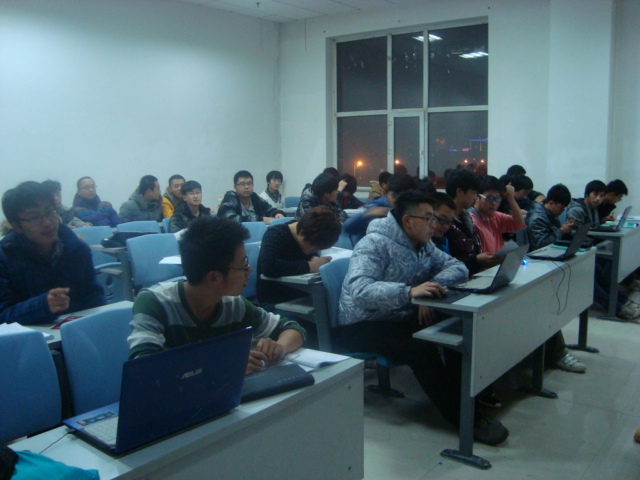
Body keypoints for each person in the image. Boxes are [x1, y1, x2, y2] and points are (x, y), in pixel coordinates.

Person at [333, 190, 508, 445]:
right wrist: (409, 292)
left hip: (398, 314)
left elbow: (457, 267)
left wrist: (430, 285)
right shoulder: (373, 244)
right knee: (421, 348)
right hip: (362, 324)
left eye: (433, 218)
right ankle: (466, 420)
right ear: (407, 220)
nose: (434, 224)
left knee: (458, 325)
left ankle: (468, 397)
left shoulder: (423, 244)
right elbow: (360, 291)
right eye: (428, 218)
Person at [127, 216, 306, 375]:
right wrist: (224, 366)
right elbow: (144, 369)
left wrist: (279, 347)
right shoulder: (154, 303)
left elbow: (293, 329)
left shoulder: (233, 303)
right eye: (243, 264)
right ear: (214, 277)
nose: (250, 270)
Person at [526, 184, 640, 322]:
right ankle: (619, 308)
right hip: (542, 261)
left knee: (596, 268)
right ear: (551, 203)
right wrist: (561, 231)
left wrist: (565, 232)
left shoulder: (549, 214)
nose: (562, 212)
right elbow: (541, 244)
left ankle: (623, 300)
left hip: (554, 255)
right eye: (561, 208)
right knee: (586, 277)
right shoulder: (538, 217)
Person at [0, 181, 105, 325]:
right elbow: (3, 315)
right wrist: (42, 306)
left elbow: (95, 299)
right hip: (30, 337)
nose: (47, 223)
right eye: (35, 217)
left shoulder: (76, 248)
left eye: (50, 212)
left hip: (77, 331)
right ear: (16, 226)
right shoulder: (5, 257)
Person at [257, 206, 342, 305]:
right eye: (314, 247)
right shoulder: (275, 234)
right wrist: (310, 266)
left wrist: (314, 258)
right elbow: (268, 266)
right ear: (301, 234)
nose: (316, 250)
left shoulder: (311, 234)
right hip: (275, 300)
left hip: (305, 295)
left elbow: (310, 252)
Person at [443, 169, 497, 275]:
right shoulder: (444, 222)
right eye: (473, 193)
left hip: (474, 274)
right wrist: (476, 260)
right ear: (459, 191)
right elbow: (445, 264)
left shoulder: (466, 217)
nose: (475, 198)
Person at [343, 174, 417, 239]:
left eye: (401, 197)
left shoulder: (410, 207)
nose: (396, 200)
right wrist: (368, 213)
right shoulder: (377, 205)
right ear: (388, 193)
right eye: (393, 196)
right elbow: (347, 226)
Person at [470, 175, 526, 253]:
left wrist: (511, 198)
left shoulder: (495, 216)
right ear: (477, 196)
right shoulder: (471, 221)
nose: (494, 203)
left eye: (498, 198)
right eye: (489, 198)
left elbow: (519, 224)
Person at [218, 170, 284, 224]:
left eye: (249, 183)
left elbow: (269, 208)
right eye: (242, 184)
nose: (246, 187)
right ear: (235, 187)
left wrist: (277, 213)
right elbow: (229, 219)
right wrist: (261, 219)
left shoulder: (254, 197)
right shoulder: (231, 197)